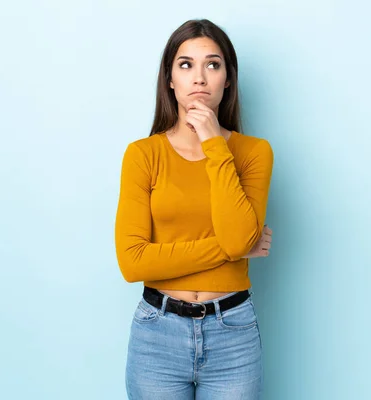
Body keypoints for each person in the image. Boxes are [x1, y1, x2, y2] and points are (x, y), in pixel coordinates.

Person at [114, 18, 274, 399]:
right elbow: (133, 263)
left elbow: (239, 239)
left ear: (227, 80)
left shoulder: (254, 153)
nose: (199, 78)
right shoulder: (143, 155)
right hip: (157, 336)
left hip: (233, 335)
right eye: (186, 65)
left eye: (212, 65)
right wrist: (231, 248)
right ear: (170, 79)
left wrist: (214, 143)